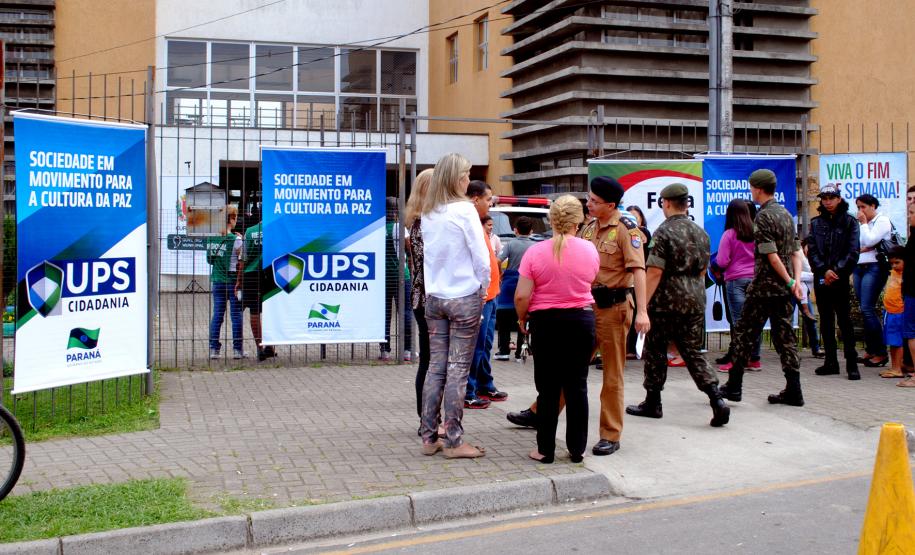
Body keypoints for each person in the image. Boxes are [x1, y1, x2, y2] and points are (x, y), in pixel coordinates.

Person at [505, 176, 651, 455]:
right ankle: (540, 413)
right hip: (584, 307)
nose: (589, 205)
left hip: (613, 307)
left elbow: (638, 270)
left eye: (595, 202)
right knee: (569, 370)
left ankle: (610, 433)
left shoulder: (626, 230)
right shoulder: (588, 228)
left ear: (610, 204)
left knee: (611, 374)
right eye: (589, 200)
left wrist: (642, 311)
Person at [626, 183, 729, 427]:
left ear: (667, 203)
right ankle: (717, 399)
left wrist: (643, 306)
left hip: (665, 302)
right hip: (694, 299)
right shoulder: (700, 233)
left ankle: (653, 402)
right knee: (692, 351)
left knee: (656, 351)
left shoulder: (663, 232)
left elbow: (654, 272)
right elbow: (703, 270)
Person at [514, 195, 599, 463]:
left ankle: (545, 450)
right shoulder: (590, 250)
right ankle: (577, 449)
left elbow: (521, 296)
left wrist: (521, 318)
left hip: (546, 323)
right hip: (581, 320)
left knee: (548, 389)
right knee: (578, 387)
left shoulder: (535, 252)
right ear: (579, 220)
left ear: (551, 220)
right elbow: (590, 281)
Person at [419, 153, 490, 459]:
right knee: (458, 370)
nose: (467, 179)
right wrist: (483, 289)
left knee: (436, 368)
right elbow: (481, 257)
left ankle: (428, 436)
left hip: (435, 298)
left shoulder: (429, 211)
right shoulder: (464, 210)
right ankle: (454, 440)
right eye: (465, 174)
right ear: (458, 178)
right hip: (463, 296)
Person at [719, 169, 805, 406]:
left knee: (744, 334)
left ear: (757, 188)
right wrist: (795, 282)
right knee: (785, 338)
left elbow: (772, 256)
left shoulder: (764, 217)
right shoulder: (786, 214)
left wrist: (789, 280)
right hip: (783, 291)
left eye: (751, 188)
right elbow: (796, 251)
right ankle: (794, 389)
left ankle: (734, 385)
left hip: (764, 287)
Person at [807, 183, 861, 380]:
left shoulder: (849, 222)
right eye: (825, 198)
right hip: (821, 276)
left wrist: (836, 271)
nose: (828, 201)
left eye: (832, 198)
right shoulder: (816, 223)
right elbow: (811, 250)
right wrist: (824, 270)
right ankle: (830, 361)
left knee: (845, 321)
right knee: (826, 320)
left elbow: (853, 251)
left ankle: (852, 363)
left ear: (839, 199)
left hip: (840, 277)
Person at [464, 181, 508, 409]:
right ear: (475, 198)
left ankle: (484, 383)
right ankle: (469, 391)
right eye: (488, 199)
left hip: (492, 294)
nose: (490, 203)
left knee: (486, 344)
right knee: (477, 346)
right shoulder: (469, 224)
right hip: (480, 296)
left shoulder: (479, 224)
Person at [715, 199, 762, 372]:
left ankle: (737, 360)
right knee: (755, 321)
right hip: (755, 280)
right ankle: (754, 359)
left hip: (736, 281)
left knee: (739, 323)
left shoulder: (729, 234)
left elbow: (722, 260)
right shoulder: (758, 233)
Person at [405, 169, 434, 422]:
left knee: (427, 360)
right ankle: (427, 418)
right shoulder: (428, 224)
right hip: (429, 300)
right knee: (431, 362)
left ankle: (426, 418)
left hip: (420, 297)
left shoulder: (415, 222)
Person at [853, 194, 892, 367]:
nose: (860, 211)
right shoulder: (862, 225)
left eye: (863, 207)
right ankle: (870, 349)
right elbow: (856, 245)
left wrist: (863, 224)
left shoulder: (882, 221)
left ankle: (881, 352)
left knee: (868, 308)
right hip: (859, 267)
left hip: (874, 267)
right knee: (864, 309)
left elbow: (869, 240)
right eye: (858, 207)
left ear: (873, 206)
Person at [236, 204, 275, 362]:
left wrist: (239, 280)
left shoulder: (249, 232)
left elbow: (243, 259)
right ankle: (271, 346)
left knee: (254, 312)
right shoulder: (274, 229)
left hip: (251, 275)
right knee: (272, 310)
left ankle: (259, 347)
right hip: (271, 273)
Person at [495, 216, 536, 361]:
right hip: (527, 284)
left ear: (515, 230)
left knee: (503, 318)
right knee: (523, 317)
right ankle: (520, 352)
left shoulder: (510, 244)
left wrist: (500, 274)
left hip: (509, 283)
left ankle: (504, 351)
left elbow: (498, 260)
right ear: (531, 231)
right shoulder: (534, 246)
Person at [207, 205, 245, 359]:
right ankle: (237, 350)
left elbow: (209, 260)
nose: (236, 220)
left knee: (217, 315)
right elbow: (243, 259)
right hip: (232, 280)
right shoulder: (236, 240)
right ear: (230, 219)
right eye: (235, 217)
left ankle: (214, 349)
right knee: (236, 315)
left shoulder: (212, 238)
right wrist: (242, 239)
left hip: (217, 280)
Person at [380, 197, 413, 362]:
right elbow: (409, 250)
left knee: (385, 314)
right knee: (406, 312)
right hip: (402, 276)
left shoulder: (377, 228)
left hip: (383, 278)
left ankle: (384, 350)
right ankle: (407, 350)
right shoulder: (400, 229)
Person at [625, 205, 651, 359]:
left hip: (641, 279)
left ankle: (636, 348)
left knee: (639, 312)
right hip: (628, 281)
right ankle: (629, 348)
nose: (632, 220)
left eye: (635, 216)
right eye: (630, 217)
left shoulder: (643, 233)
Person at [878, 246, 907, 379]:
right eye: (892, 263)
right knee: (891, 341)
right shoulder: (893, 272)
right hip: (889, 311)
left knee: (897, 341)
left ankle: (897, 368)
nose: (894, 266)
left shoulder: (906, 275)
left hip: (899, 312)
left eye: (897, 262)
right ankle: (894, 366)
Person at [899, 201, 915, 388]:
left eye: (911, 212)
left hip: (913, 290)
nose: (909, 216)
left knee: (912, 333)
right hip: (909, 289)